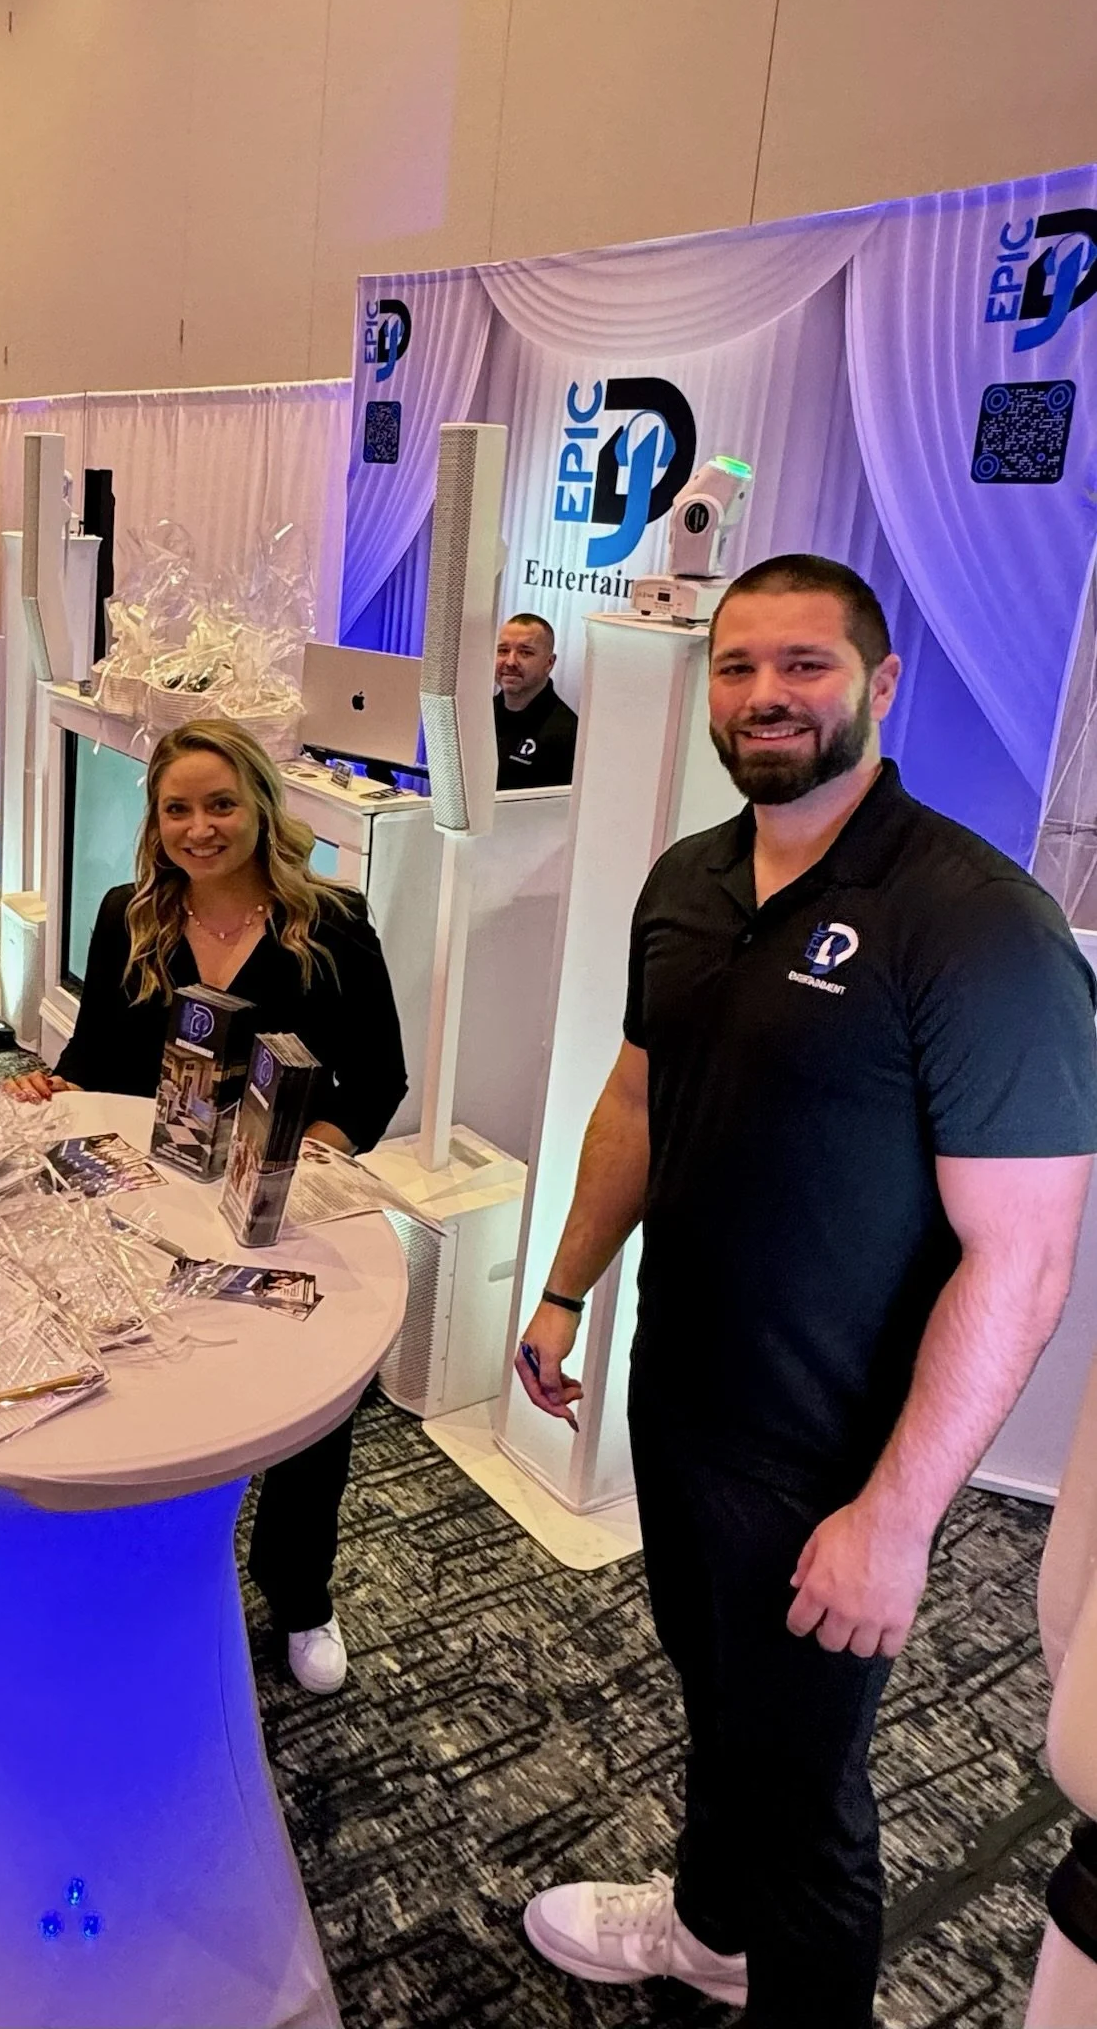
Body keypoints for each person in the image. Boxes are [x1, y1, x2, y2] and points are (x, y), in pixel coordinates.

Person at [514, 554, 1097, 2027]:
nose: (767, 696)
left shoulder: (974, 925)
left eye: (806, 666)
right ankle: (712, 1932)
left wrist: (896, 1521)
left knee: (811, 1803)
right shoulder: (690, 881)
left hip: (834, 1456)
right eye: (739, 667)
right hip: (686, 1395)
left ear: (880, 685)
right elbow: (639, 1103)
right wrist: (568, 1289)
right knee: (724, 1709)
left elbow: (1021, 1260)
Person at [4, 718, 408, 1695]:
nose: (199, 826)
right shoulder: (126, 915)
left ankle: (299, 1591)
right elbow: (96, 1061)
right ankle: (138, 1565)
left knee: (312, 1405)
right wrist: (49, 1088)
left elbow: (378, 1080)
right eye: (177, 808)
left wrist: (309, 1145)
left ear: (261, 805)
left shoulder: (333, 925)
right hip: (145, 1204)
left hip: (280, 1209)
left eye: (220, 803)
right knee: (147, 1387)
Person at [493, 612, 577, 788]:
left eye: (525, 652)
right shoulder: (477, 715)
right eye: (503, 650)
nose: (510, 662)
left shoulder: (568, 733)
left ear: (549, 663)